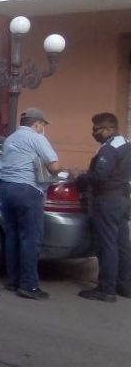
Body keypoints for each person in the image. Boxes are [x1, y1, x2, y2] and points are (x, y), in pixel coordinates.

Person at [0, 108, 63, 300]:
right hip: (27, 191)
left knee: (12, 236)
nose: (43, 128)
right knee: (30, 239)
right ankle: (28, 285)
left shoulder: (10, 139)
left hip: (6, 188)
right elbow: (54, 166)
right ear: (37, 124)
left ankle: (13, 281)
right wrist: (59, 169)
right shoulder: (37, 138)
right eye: (42, 125)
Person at [76, 112, 131, 302]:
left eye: (96, 129)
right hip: (123, 199)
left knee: (107, 245)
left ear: (108, 129)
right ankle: (125, 286)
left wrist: (80, 178)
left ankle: (106, 289)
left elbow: (100, 176)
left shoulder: (109, 148)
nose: (94, 133)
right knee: (122, 244)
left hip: (107, 200)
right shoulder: (126, 143)